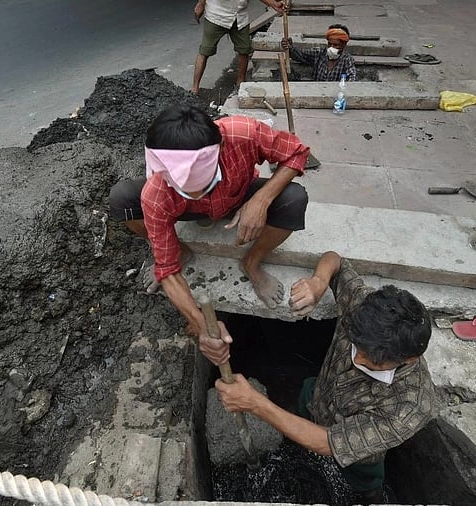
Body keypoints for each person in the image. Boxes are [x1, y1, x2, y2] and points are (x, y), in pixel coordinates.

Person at [213, 251, 435, 502]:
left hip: (359, 455)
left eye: (373, 360)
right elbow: (335, 261)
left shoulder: (411, 405)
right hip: (316, 397)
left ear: (409, 359)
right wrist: (318, 282)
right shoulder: (362, 307)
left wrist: (255, 404)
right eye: (356, 347)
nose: (357, 360)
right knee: (302, 422)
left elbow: (328, 442)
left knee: (364, 481)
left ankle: (368, 497)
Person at [108, 104, 310, 354]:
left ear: (221, 148)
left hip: (238, 195)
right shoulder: (158, 192)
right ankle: (180, 250)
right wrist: (201, 325)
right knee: (122, 199)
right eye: (185, 189)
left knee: (294, 199)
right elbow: (167, 270)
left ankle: (252, 263)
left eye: (201, 186)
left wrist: (261, 200)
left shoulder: (242, 133)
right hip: (185, 211)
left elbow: (297, 153)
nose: (194, 193)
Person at [192, 0, 286, 94]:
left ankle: (240, 83)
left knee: (244, 50)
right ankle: (194, 89)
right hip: (216, 15)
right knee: (205, 51)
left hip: (240, 17)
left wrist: (274, 4)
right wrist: (201, 3)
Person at [281, 24, 357, 82]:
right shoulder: (320, 53)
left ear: (344, 45)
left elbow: (351, 78)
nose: (332, 47)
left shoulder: (347, 60)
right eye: (330, 44)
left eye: (336, 45)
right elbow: (300, 55)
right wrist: (290, 47)